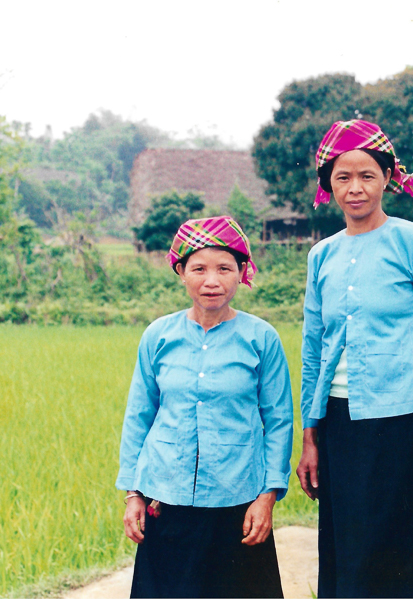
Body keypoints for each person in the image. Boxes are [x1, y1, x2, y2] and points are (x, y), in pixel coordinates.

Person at [295, 120, 413, 598]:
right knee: (343, 548)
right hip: (338, 421)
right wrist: (310, 434)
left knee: (392, 550)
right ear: (328, 185)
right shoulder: (321, 256)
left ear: (388, 177)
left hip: (402, 420)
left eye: (367, 175)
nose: (356, 188)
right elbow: (313, 348)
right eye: (343, 177)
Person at [116, 216, 293, 598]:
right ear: (180, 272)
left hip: (238, 502)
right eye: (199, 269)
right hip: (166, 500)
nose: (212, 280)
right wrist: (133, 494)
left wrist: (267, 497)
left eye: (224, 268)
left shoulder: (261, 338)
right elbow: (139, 416)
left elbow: (279, 421)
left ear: (242, 272)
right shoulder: (158, 336)